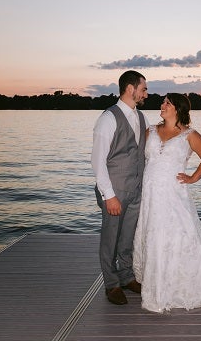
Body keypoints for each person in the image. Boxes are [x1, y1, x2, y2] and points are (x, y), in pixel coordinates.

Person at [133, 93, 201, 313]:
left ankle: (181, 286)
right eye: (163, 102)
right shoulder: (150, 131)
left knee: (179, 235)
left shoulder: (190, 135)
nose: (162, 105)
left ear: (178, 109)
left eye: (167, 103)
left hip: (174, 194)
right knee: (154, 234)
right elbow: (137, 158)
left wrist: (193, 178)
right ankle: (156, 284)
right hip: (151, 194)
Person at [91, 70, 148, 305]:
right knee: (110, 239)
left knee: (127, 238)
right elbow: (97, 161)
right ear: (130, 89)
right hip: (114, 191)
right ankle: (111, 284)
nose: (146, 93)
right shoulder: (108, 118)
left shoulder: (141, 116)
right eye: (143, 88)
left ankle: (126, 277)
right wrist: (109, 196)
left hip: (135, 189)